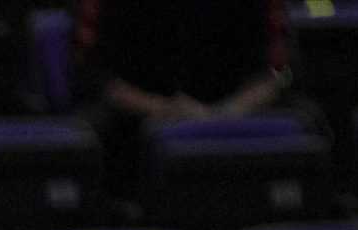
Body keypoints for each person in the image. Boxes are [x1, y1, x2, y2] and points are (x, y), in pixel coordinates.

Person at [73, 0, 305, 179]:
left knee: (308, 120)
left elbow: (279, 72)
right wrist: (164, 109)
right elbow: (94, 74)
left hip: (238, 109)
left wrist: (228, 111)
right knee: (89, 136)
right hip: (138, 115)